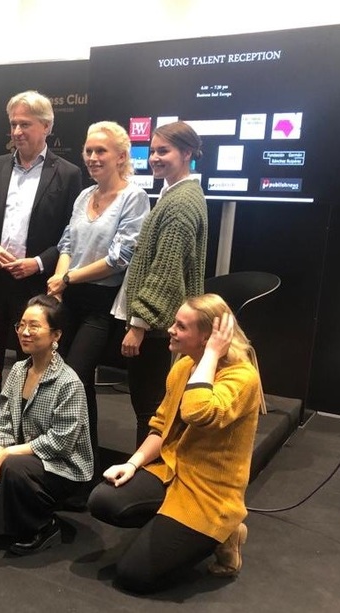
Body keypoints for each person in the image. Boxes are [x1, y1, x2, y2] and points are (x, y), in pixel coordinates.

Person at [88, 294, 265, 593]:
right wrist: (132, 464)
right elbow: (160, 427)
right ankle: (171, 527)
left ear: (208, 338)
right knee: (103, 500)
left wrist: (210, 356)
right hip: (173, 471)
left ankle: (225, 533)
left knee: (133, 575)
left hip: (210, 493)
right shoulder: (184, 367)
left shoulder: (242, 378)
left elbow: (198, 411)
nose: (170, 329)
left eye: (181, 327)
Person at [0, 91, 82, 419]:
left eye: (25, 124)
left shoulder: (68, 174)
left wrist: (39, 262)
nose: (17, 132)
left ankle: (25, 429)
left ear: (46, 126)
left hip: (35, 288)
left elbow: (72, 234)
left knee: (33, 364)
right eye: (13, 124)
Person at [46, 120, 149, 454]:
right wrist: (59, 283)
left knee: (76, 376)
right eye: (88, 150)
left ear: (121, 156)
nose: (92, 157)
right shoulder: (83, 196)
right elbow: (67, 243)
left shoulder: (134, 198)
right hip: (69, 298)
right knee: (66, 378)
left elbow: (119, 258)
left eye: (100, 150)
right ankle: (75, 453)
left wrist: (68, 278)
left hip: (101, 303)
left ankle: (82, 459)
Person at [0, 295, 93, 556]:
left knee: (13, 468)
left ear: (56, 335)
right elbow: (3, 420)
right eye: (21, 325)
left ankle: (43, 526)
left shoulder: (69, 382)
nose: (25, 332)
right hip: (24, 460)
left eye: (34, 326)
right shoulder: (17, 370)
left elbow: (60, 443)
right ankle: (9, 524)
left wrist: (7, 454)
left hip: (62, 468)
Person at [114, 120, 208, 445]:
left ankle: (148, 481)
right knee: (152, 407)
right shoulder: (176, 194)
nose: (154, 157)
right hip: (161, 324)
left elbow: (165, 273)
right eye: (153, 150)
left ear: (187, 153)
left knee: (150, 409)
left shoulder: (181, 202)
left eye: (163, 150)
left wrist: (138, 324)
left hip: (157, 327)